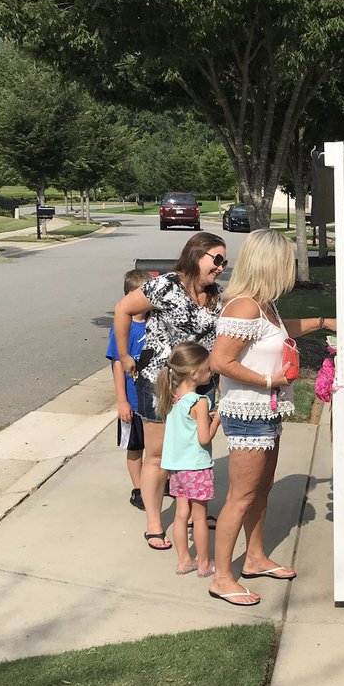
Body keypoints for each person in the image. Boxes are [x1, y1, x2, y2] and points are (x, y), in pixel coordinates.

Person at [208, 229, 337, 606]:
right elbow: (220, 361)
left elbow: (276, 336)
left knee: (261, 490)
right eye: (287, 262)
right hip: (247, 412)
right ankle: (221, 577)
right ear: (269, 264)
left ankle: (255, 557)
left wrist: (322, 322)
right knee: (241, 496)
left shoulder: (265, 306)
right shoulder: (243, 305)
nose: (291, 270)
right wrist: (269, 379)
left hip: (267, 409)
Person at [113, 232, 227, 551]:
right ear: (195, 255)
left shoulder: (218, 296)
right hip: (159, 381)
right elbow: (122, 309)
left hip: (202, 383)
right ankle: (153, 522)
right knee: (159, 454)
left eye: (224, 261)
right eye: (216, 259)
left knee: (194, 451)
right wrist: (124, 355)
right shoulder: (165, 286)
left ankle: (190, 512)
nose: (220, 267)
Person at [156, 342, 218, 577]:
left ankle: (184, 560)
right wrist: (217, 420)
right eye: (208, 369)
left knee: (181, 514)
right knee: (200, 517)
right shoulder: (200, 402)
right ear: (194, 373)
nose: (210, 373)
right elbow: (204, 438)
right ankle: (203, 564)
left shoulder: (171, 399)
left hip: (177, 467)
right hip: (197, 466)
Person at [106, 268, 152, 510]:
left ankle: (155, 483)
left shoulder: (155, 323)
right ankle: (139, 489)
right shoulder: (122, 327)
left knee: (156, 445)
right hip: (132, 401)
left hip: (153, 400)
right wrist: (122, 401)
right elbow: (117, 364)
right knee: (135, 447)